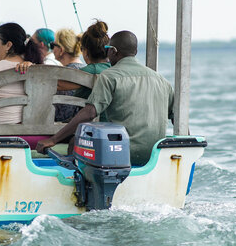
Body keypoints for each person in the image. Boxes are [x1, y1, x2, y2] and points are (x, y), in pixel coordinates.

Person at [36, 31, 174, 166]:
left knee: (76, 142)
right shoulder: (162, 80)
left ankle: (76, 178)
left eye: (108, 49)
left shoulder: (110, 76)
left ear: (113, 51)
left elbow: (90, 113)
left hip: (121, 153)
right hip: (156, 155)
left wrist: (53, 140)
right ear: (135, 52)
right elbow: (176, 117)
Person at [52, 28, 85, 122]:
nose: (52, 49)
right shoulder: (86, 69)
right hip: (78, 123)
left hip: (59, 124)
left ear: (61, 50)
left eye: (53, 45)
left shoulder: (61, 73)